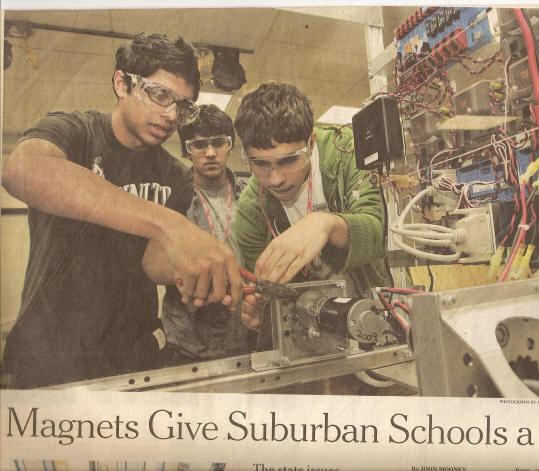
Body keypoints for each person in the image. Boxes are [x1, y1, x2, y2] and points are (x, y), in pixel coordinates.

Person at [1, 34, 242, 389]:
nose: (172, 115)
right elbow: (22, 170)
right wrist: (168, 223)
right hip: (51, 349)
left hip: (132, 354)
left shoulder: (176, 175)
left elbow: (152, 263)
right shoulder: (75, 131)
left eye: (183, 105)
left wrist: (201, 272)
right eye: (160, 95)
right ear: (122, 83)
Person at [234, 82, 387, 332]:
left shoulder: (347, 150)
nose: (276, 179)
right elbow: (274, 296)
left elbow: (378, 233)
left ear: (312, 143)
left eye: (289, 161)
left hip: (374, 309)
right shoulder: (251, 209)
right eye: (260, 164)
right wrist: (264, 312)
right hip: (315, 331)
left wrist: (325, 223)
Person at [162, 104, 249, 361]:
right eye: (199, 145)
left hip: (246, 332)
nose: (210, 153)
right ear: (187, 151)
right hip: (190, 340)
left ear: (230, 145)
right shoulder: (172, 198)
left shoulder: (253, 194)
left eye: (218, 143)